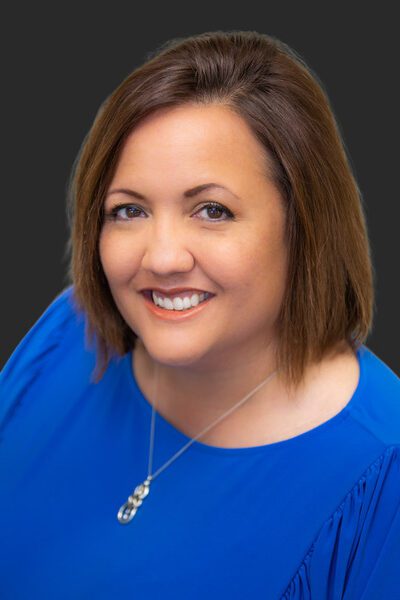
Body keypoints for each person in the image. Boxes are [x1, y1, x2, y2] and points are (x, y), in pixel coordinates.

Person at [0, 29, 399, 599]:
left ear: (303, 224)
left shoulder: (382, 475)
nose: (161, 257)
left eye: (212, 210)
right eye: (128, 210)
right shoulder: (68, 334)